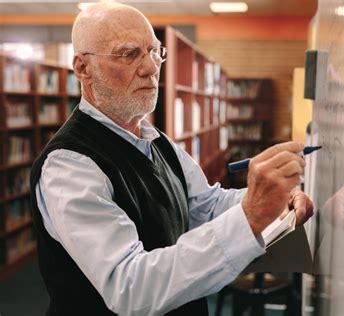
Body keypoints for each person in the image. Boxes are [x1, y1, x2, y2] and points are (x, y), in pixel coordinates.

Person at [30, 3, 314, 315]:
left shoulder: (155, 139)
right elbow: (130, 287)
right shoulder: (69, 164)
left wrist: (271, 200)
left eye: (154, 51)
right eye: (128, 53)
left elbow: (205, 206)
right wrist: (250, 216)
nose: (151, 67)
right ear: (83, 68)